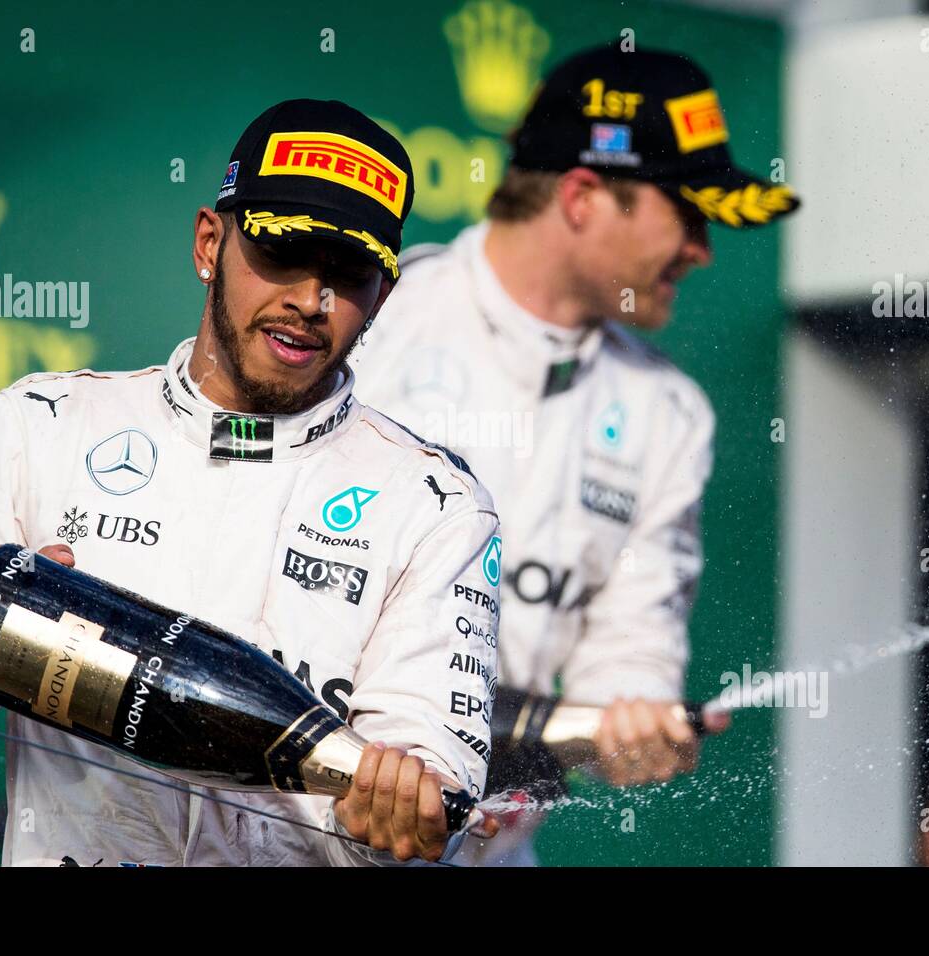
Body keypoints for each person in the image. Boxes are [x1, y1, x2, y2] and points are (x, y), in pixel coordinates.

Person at [0, 99, 502, 866]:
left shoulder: (439, 510)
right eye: (283, 253)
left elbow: (431, 803)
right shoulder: (41, 423)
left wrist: (393, 817)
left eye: (348, 274)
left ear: (383, 298)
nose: (309, 300)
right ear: (209, 243)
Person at [350, 44, 800, 864]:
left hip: (485, 849)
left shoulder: (669, 413)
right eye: (688, 216)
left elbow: (632, 644)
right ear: (585, 196)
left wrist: (633, 720)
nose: (701, 250)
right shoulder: (377, 320)